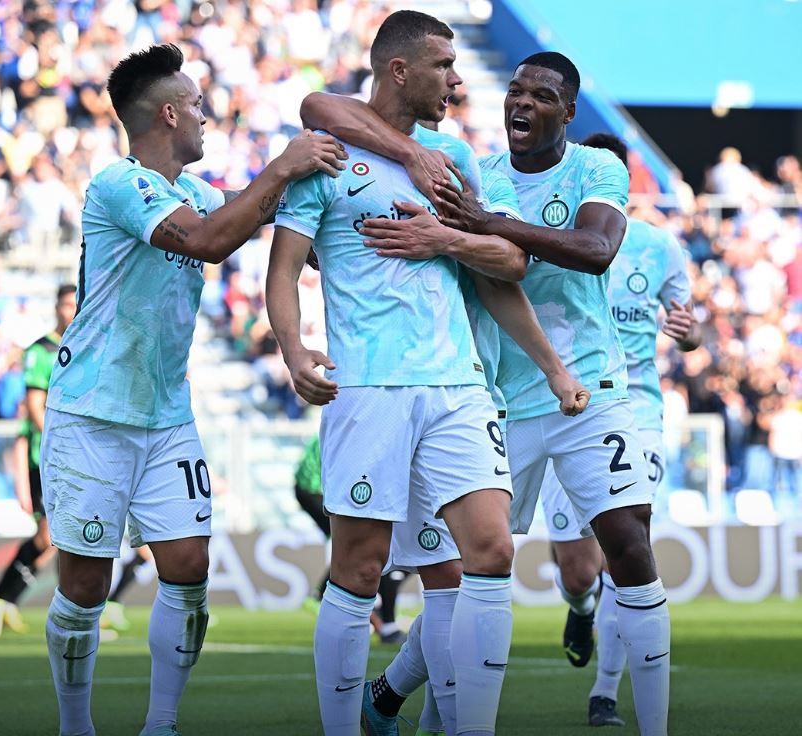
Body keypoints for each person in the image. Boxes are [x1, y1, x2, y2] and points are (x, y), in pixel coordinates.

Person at [267, 12, 585, 735]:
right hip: (371, 387)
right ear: (400, 70)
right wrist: (295, 351)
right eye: (443, 64)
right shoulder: (324, 154)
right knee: (358, 566)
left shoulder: (454, 160)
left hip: (459, 386)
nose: (458, 79)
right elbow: (282, 269)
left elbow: (506, 268)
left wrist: (552, 366)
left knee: (491, 550)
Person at [355, 52, 671, 736]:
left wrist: (485, 221)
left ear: (568, 112)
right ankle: (391, 695)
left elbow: (594, 249)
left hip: (592, 388)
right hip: (496, 399)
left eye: (542, 95)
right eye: (517, 91)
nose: (522, 103)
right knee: (474, 576)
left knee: (628, 541)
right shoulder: (478, 176)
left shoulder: (595, 167)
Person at [39, 43, 346, 736]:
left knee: (188, 564)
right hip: (92, 412)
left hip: (166, 414)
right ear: (169, 113)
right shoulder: (120, 185)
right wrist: (284, 165)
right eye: (199, 106)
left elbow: (256, 217)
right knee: (84, 586)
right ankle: (74, 725)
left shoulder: (196, 192)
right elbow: (209, 241)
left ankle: (162, 725)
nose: (208, 117)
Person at [537, 132, 701, 727]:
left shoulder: (660, 248)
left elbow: (693, 325)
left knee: (626, 550)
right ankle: (579, 607)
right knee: (579, 570)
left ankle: (605, 692)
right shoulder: (556, 231)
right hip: (559, 403)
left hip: (634, 412)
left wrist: (690, 332)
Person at [0, 284, 77, 640]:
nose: (72, 310)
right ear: (56, 308)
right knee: (49, 536)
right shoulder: (41, 351)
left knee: (53, 541)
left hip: (76, 456)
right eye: (66, 304)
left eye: (76, 304)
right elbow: (35, 408)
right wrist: (66, 441)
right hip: (48, 456)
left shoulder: (85, 344)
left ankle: (6, 600)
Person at [295, 433, 409, 644]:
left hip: (310, 487)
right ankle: (383, 623)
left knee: (362, 545)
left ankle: (377, 617)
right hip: (314, 488)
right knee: (365, 544)